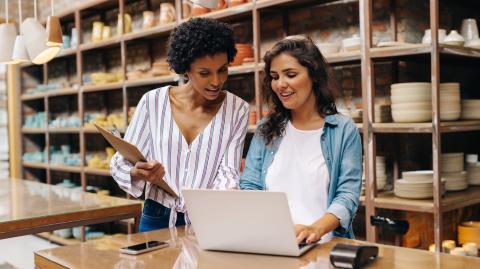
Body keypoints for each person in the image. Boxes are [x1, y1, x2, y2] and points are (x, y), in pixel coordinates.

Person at [111, 18, 249, 232]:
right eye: (204, 73)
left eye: (222, 70)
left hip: (209, 219)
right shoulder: (152, 102)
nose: (216, 81)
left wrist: (228, 199)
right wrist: (139, 172)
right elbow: (121, 162)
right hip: (156, 216)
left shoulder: (237, 109)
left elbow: (228, 172)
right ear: (186, 69)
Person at [239, 36, 362, 244]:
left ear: (313, 75)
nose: (280, 84)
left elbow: (347, 196)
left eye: (291, 74)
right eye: (275, 76)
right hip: (274, 244)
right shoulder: (265, 129)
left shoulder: (343, 130)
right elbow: (250, 187)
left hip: (323, 245)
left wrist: (315, 229)